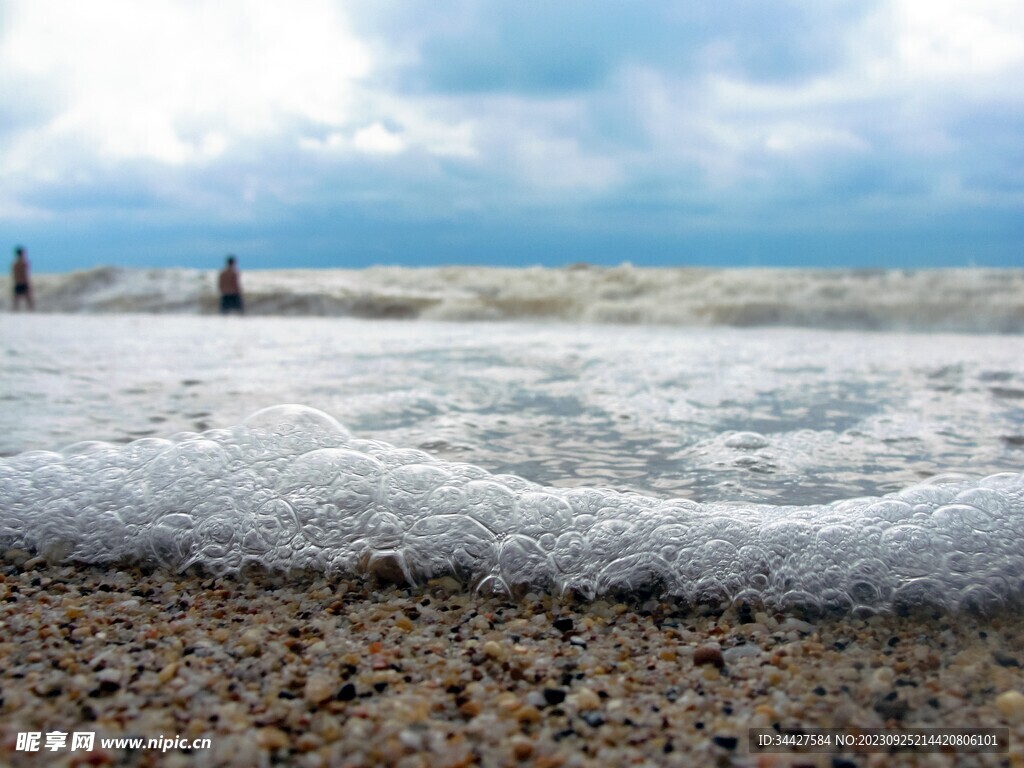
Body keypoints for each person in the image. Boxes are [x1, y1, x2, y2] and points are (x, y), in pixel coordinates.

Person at [11, 246, 34, 311]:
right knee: (27, 299)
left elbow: (15, 274)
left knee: (17, 300)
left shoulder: (15, 263)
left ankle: (15, 311)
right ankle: (31, 311)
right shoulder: (23, 263)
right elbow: (25, 274)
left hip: (18, 282)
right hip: (23, 282)